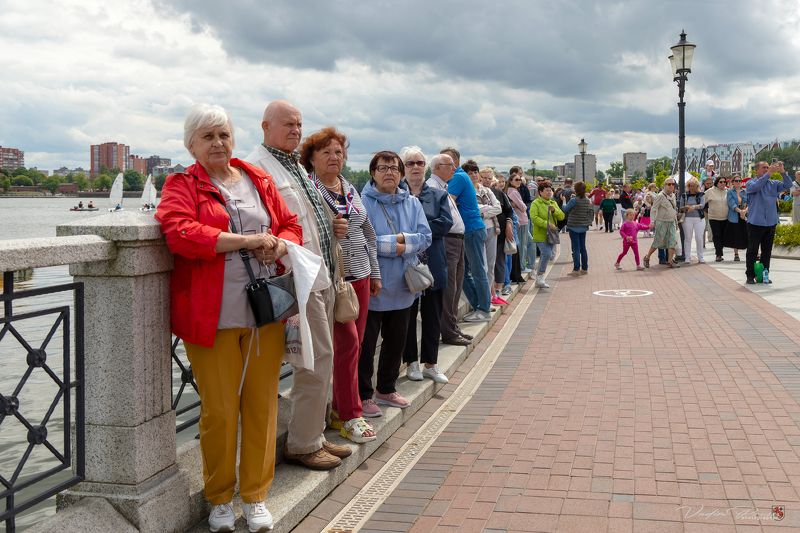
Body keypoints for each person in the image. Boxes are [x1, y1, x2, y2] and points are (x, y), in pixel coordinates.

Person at [156, 104, 303, 532]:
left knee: (262, 406)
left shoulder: (257, 178)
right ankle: (219, 497)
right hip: (212, 315)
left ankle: (256, 496)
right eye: (208, 137)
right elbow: (179, 231)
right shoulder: (181, 183)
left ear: (233, 139)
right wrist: (243, 239)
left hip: (266, 312)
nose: (218, 143)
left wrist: (278, 244)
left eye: (223, 135)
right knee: (219, 411)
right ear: (191, 146)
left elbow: (291, 225)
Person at [245, 100, 351, 471]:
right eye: (288, 124)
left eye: (299, 124)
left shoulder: (296, 166)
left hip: (318, 272)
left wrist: (332, 225)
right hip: (295, 278)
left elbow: (305, 215)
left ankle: (315, 434)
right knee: (315, 359)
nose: (296, 130)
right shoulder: (257, 167)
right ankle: (303, 443)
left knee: (322, 357)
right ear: (265, 126)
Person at [299, 126, 380, 444]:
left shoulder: (349, 188)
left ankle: (337, 408)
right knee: (346, 345)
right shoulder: (310, 191)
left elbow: (368, 233)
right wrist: (330, 230)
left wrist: (375, 274)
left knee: (354, 346)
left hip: (358, 278)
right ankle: (350, 414)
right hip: (332, 278)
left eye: (338, 152)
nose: (334, 157)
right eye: (326, 152)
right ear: (312, 158)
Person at [359, 151, 432, 416]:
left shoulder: (412, 203)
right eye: (382, 167)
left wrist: (395, 240)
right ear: (373, 173)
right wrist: (402, 244)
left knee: (396, 340)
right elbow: (365, 242)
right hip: (374, 283)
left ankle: (386, 388)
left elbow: (425, 237)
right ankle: (364, 394)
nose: (389, 172)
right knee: (366, 345)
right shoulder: (362, 202)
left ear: (401, 174)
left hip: (404, 285)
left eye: (394, 167)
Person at [400, 146, 454, 384]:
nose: (415, 167)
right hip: (405, 264)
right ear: (403, 167)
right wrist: (421, 231)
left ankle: (430, 363)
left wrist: (417, 232)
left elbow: (445, 223)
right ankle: (411, 362)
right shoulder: (396, 194)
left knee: (433, 313)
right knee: (407, 315)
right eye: (410, 163)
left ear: (426, 167)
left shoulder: (437, 195)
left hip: (433, 260)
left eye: (419, 163)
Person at [440, 147, 492, 322]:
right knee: (467, 272)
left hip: (471, 229)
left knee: (476, 271)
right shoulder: (461, 176)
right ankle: (479, 305)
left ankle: (484, 309)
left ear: (452, 162)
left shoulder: (458, 177)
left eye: (443, 162)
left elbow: (446, 202)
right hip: (470, 230)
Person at [427, 153, 472, 345]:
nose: (454, 168)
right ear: (437, 167)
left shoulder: (443, 187)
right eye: (450, 165)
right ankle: (448, 331)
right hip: (448, 241)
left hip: (457, 240)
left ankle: (453, 328)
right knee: (450, 287)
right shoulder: (432, 187)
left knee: (456, 285)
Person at [744, 161, 794, 284]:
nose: (766, 169)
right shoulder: (751, 183)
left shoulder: (774, 184)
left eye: (768, 167)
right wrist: (769, 173)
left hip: (770, 223)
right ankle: (750, 275)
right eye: (764, 168)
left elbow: (788, 185)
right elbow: (756, 187)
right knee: (752, 250)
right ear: (757, 170)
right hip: (755, 223)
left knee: (767, 251)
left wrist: (782, 171)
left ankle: (764, 275)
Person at [466, 162, 503, 304]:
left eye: (475, 172)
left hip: (492, 228)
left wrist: (482, 212)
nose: (474, 175)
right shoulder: (467, 190)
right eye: (471, 173)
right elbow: (473, 209)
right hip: (477, 229)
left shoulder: (486, 190)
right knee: (482, 265)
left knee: (490, 265)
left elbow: (498, 207)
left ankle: (487, 296)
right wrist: (486, 210)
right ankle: (484, 299)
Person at [484, 169, 514, 298]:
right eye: (484, 178)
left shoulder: (498, 193)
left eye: (489, 178)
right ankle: (489, 290)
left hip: (500, 232)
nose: (486, 180)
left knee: (499, 261)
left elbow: (509, 211)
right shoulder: (474, 193)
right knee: (487, 263)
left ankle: (498, 288)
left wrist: (509, 225)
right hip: (484, 232)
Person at [529, 180, 564, 288]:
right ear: (540, 192)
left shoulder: (553, 203)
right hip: (540, 234)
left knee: (548, 255)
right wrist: (547, 224)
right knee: (547, 253)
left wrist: (554, 211)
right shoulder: (536, 203)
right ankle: (539, 276)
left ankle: (539, 277)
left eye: (550, 191)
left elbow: (562, 216)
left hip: (552, 234)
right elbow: (534, 218)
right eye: (547, 191)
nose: (549, 193)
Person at [643, 177, 680, 268]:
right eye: (669, 184)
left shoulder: (673, 195)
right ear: (665, 185)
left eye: (673, 184)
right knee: (658, 242)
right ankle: (647, 257)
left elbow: (673, 209)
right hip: (661, 222)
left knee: (672, 241)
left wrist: (676, 222)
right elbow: (654, 209)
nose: (671, 186)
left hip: (671, 222)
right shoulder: (660, 196)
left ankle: (670, 261)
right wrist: (652, 221)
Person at [560, 181, 592, 275]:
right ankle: (585, 268)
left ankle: (576, 269)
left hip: (574, 226)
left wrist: (564, 201)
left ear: (576, 190)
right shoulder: (587, 200)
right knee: (583, 248)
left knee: (576, 248)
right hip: (583, 226)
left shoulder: (574, 200)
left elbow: (565, 209)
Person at [507, 170, 532, 273]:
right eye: (516, 179)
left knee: (527, 243)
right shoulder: (512, 191)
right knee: (522, 244)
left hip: (522, 220)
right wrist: (521, 205)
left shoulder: (514, 191)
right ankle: (521, 266)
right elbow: (523, 207)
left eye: (520, 179)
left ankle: (522, 265)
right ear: (511, 181)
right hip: (521, 220)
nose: (519, 181)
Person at [680, 177, 706, 264]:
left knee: (699, 238)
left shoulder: (701, 194)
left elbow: (702, 205)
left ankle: (700, 257)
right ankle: (687, 257)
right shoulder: (684, 195)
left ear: (697, 186)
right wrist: (686, 208)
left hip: (699, 218)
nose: (692, 187)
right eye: (690, 185)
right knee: (688, 238)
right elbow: (680, 208)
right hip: (687, 218)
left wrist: (694, 207)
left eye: (694, 186)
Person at [704, 176, 729, 262]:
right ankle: (718, 254)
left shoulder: (727, 191)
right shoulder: (710, 191)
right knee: (717, 236)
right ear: (717, 183)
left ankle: (719, 252)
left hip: (725, 218)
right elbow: (702, 201)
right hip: (713, 218)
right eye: (721, 182)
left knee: (723, 237)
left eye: (724, 182)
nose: (723, 184)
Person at [724, 174, 748, 261]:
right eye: (736, 181)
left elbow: (748, 202)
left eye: (739, 181)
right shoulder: (730, 192)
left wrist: (744, 211)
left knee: (746, 234)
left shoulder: (745, 192)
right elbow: (731, 204)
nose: (738, 182)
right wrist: (740, 211)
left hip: (744, 215)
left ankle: (751, 253)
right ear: (733, 182)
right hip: (734, 215)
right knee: (735, 235)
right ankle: (736, 254)